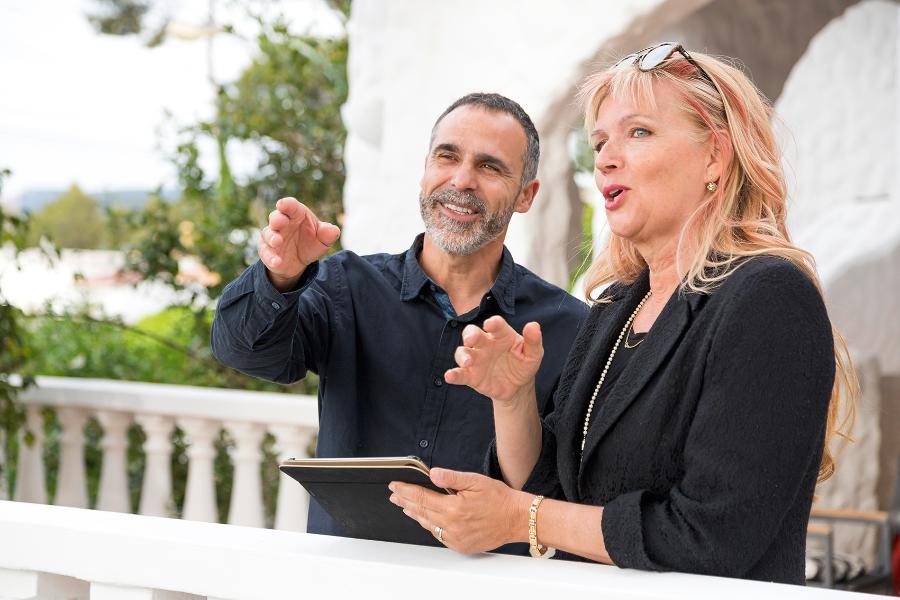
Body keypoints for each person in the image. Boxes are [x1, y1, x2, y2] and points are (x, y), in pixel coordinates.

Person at [389, 44, 857, 584]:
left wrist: (520, 518)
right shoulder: (615, 308)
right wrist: (513, 400)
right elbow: (553, 494)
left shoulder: (769, 296)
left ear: (715, 156)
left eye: (638, 132)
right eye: (600, 142)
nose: (606, 158)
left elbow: (712, 539)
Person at [211, 92, 588, 540]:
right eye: (447, 157)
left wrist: (513, 399)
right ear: (426, 169)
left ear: (526, 194)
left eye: (489, 167)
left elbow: (555, 489)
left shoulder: (568, 328)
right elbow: (244, 352)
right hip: (344, 581)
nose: (462, 180)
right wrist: (280, 278)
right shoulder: (345, 285)